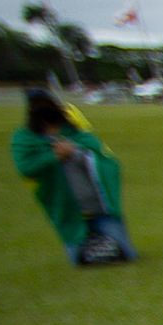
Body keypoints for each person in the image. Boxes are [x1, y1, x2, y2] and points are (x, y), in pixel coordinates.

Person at [11, 89, 132, 265]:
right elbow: (26, 168)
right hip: (67, 212)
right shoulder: (24, 139)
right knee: (81, 261)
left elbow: (107, 162)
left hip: (99, 209)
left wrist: (74, 152)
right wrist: (54, 157)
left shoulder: (77, 133)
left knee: (125, 255)